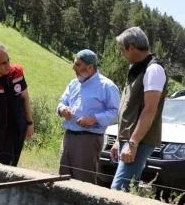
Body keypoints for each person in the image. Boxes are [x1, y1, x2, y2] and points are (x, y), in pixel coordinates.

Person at [109, 27, 167, 191]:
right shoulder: (136, 68)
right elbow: (129, 106)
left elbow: (150, 110)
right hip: (130, 139)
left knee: (120, 189)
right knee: (126, 188)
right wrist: (120, 140)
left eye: (122, 50)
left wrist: (132, 144)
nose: (122, 54)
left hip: (139, 140)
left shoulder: (153, 70)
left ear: (132, 47)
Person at [57, 49, 120, 184]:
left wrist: (93, 118)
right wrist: (63, 109)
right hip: (68, 137)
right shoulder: (74, 84)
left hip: (89, 140)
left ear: (90, 67)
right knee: (63, 178)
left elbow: (116, 113)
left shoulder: (107, 86)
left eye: (78, 65)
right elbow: (62, 102)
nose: (73, 68)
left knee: (83, 182)